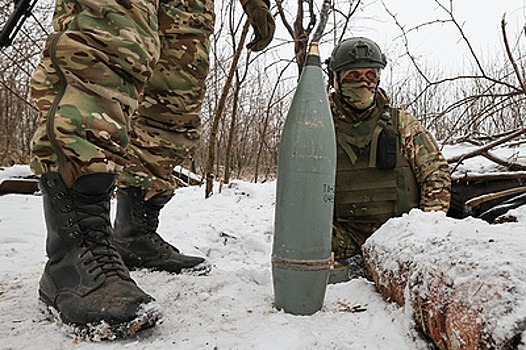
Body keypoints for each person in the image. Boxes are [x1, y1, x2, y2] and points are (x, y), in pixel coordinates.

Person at [28, 0, 275, 339]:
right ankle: (73, 255)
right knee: (107, 47)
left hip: (190, 9)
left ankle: (134, 234)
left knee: (173, 104)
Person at [326, 37, 451, 283]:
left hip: (399, 240)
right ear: (336, 79)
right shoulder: (320, 126)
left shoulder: (403, 124)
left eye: (370, 75)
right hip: (342, 241)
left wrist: (424, 232)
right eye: (353, 75)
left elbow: (436, 177)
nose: (363, 82)